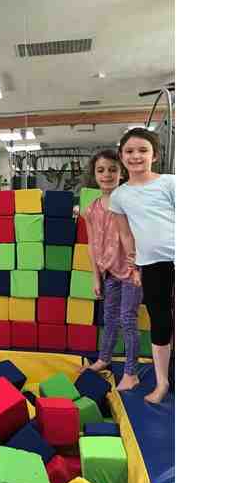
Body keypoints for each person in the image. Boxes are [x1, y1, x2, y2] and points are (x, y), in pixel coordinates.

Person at [110, 128, 175, 404]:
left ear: (154, 155)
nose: (136, 156)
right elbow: (126, 235)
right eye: (129, 151)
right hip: (151, 264)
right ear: (122, 156)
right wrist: (134, 265)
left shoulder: (170, 183)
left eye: (143, 150)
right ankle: (162, 382)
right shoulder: (119, 196)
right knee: (160, 320)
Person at [81, 150, 143, 391]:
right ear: (95, 174)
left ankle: (131, 373)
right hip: (109, 272)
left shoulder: (130, 203)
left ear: (122, 173)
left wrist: (138, 268)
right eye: (101, 170)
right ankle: (104, 358)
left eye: (112, 170)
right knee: (109, 318)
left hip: (131, 271)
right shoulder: (91, 210)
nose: (106, 175)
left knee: (128, 320)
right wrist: (96, 277)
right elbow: (92, 245)